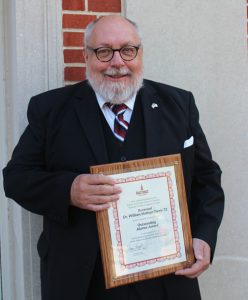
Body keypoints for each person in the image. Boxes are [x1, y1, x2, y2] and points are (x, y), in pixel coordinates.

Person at [3, 15, 224, 300]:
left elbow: (206, 179)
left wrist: (203, 236)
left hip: (166, 277)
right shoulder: (50, 109)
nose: (117, 62)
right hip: (81, 281)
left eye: (127, 50)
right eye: (104, 51)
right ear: (86, 56)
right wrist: (68, 190)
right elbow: (16, 178)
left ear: (140, 53)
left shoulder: (179, 105)